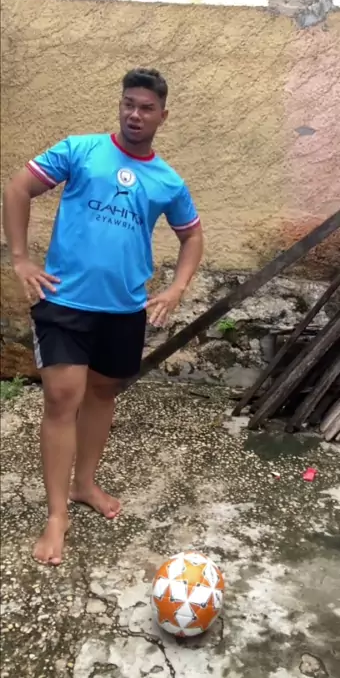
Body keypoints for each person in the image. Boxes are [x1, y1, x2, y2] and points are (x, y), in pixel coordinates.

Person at [2, 67, 204, 566]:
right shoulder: (80, 150)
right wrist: (21, 259)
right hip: (64, 301)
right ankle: (56, 515)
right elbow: (18, 189)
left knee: (102, 393)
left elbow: (192, 236)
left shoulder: (167, 180)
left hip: (124, 309)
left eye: (146, 108)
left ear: (162, 116)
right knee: (61, 397)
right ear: (120, 105)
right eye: (128, 104)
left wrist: (176, 289)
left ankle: (84, 485)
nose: (135, 114)